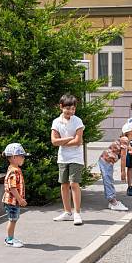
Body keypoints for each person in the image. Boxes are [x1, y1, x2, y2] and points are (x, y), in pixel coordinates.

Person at [51, 94, 85, 226]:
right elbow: (54, 141)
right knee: (64, 184)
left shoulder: (77, 121)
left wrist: (62, 141)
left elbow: (78, 141)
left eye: (73, 109)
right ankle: (67, 212)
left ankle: (77, 213)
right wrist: (68, 139)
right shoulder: (56, 122)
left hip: (76, 157)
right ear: (61, 107)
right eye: (68, 108)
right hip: (63, 157)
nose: (70, 111)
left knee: (74, 184)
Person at [99, 123, 132, 212]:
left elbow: (124, 146)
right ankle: (113, 202)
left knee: (109, 180)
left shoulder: (125, 140)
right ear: (129, 132)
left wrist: (130, 148)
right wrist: (123, 172)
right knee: (108, 181)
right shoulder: (125, 139)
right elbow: (123, 157)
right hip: (106, 161)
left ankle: (112, 201)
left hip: (106, 161)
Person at [2, 143, 28, 248]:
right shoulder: (14, 172)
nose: (23, 158)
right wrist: (20, 199)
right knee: (12, 220)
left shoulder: (13, 169)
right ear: (14, 157)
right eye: (21, 156)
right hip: (12, 201)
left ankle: (11, 237)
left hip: (12, 201)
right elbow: (13, 188)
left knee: (14, 219)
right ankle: (9, 239)